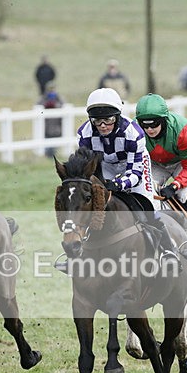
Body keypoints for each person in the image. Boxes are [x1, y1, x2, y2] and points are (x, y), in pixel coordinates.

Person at [77, 87, 180, 266]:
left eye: (108, 120)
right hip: (106, 165)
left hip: (134, 166)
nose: (102, 126)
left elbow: (135, 173)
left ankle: (167, 250)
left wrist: (118, 184)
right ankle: (78, 253)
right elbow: (87, 168)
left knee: (148, 208)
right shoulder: (84, 134)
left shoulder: (133, 133)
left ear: (117, 116)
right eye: (97, 121)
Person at [134, 93, 187, 209]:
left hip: (181, 164)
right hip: (154, 164)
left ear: (164, 119)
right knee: (144, 194)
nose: (149, 129)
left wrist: (175, 186)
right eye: (144, 124)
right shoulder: (134, 130)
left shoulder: (184, 130)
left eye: (154, 124)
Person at [39, 83, 63, 158]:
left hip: (56, 128)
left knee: (54, 146)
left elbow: (63, 106)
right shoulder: (43, 98)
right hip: (46, 127)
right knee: (47, 146)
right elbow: (38, 107)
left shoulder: (58, 98)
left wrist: (55, 105)